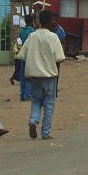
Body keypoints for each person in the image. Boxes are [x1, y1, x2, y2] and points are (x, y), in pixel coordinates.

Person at [19, 10, 66, 139]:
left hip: (35, 76)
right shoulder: (53, 37)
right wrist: (57, 78)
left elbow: (23, 55)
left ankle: (33, 120)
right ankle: (45, 132)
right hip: (50, 76)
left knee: (36, 100)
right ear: (50, 21)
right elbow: (59, 59)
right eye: (53, 20)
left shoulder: (32, 36)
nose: (54, 22)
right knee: (49, 104)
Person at [12, 15, 35, 101]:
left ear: (25, 21)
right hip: (30, 55)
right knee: (29, 75)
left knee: (23, 75)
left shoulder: (22, 31)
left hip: (23, 54)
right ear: (32, 21)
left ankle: (22, 94)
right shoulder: (33, 32)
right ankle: (28, 95)